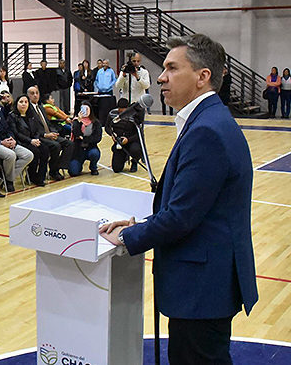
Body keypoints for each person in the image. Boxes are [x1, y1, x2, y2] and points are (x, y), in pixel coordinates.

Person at [100, 34, 258, 364]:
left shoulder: (206, 131)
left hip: (202, 286)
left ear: (203, 77)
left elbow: (182, 217)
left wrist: (128, 236)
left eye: (172, 68)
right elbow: (194, 208)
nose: (160, 77)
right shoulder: (209, 120)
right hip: (206, 280)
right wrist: (139, 223)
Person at [27, 87, 70, 179]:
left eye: (37, 93)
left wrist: (53, 132)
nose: (35, 95)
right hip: (40, 136)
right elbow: (32, 128)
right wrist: (45, 135)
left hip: (49, 133)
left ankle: (58, 166)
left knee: (69, 144)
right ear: (28, 95)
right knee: (56, 146)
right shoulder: (28, 110)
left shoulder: (41, 107)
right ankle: (54, 171)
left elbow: (48, 123)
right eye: (32, 93)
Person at [8, 95, 50, 186]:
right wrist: (30, 141)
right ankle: (32, 176)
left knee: (45, 150)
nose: (23, 104)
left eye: (26, 102)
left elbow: (37, 130)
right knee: (35, 152)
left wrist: (36, 139)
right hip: (22, 142)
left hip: (33, 140)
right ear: (17, 103)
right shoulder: (12, 116)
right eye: (21, 102)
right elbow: (16, 133)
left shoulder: (31, 115)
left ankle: (41, 177)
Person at [105, 98, 143, 173]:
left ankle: (134, 162)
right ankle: (123, 157)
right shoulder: (112, 113)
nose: (121, 111)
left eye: (123, 110)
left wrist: (128, 139)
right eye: (120, 109)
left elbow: (139, 133)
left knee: (135, 149)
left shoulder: (134, 115)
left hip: (131, 140)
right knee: (116, 169)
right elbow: (107, 126)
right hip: (119, 141)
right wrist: (112, 134)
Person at [68, 102, 101, 176]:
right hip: (78, 150)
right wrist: (79, 121)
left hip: (91, 147)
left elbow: (97, 138)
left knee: (94, 154)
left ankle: (93, 167)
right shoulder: (76, 121)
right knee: (73, 172)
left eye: (87, 109)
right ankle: (79, 165)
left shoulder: (96, 123)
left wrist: (84, 138)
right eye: (83, 109)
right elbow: (76, 133)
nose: (85, 111)